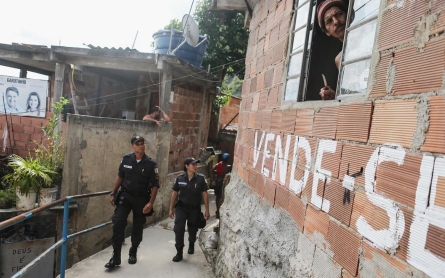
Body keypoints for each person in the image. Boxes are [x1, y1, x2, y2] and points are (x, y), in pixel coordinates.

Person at [105, 135, 160, 269]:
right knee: (118, 222)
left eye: (142, 143)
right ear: (133, 146)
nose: (141, 145)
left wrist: (151, 203)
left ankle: (133, 251)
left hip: (141, 199)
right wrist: (113, 192)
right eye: (138, 144)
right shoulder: (126, 159)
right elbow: (120, 176)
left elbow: (155, 185)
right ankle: (116, 256)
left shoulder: (151, 164)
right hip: (125, 196)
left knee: (137, 226)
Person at [169, 157, 210, 262]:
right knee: (179, 229)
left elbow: (205, 194)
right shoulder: (179, 178)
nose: (195, 166)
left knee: (192, 230)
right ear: (186, 166)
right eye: (193, 164)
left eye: (196, 164)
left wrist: (207, 210)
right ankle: (179, 252)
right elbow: (174, 193)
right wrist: (171, 209)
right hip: (181, 208)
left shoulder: (201, 178)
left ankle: (191, 243)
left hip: (194, 209)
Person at [317, 0, 348, 100]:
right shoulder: (339, 59)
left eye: (339, 14)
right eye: (329, 21)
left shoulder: (371, 36)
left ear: (348, 14)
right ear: (327, 32)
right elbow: (352, 94)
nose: (336, 21)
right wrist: (335, 96)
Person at [210, 153, 232, 219]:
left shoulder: (218, 164)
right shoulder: (228, 167)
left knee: (217, 197)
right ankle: (219, 212)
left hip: (217, 181)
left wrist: (213, 180)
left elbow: (211, 170)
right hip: (223, 182)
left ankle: (217, 211)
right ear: (228, 159)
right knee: (221, 197)